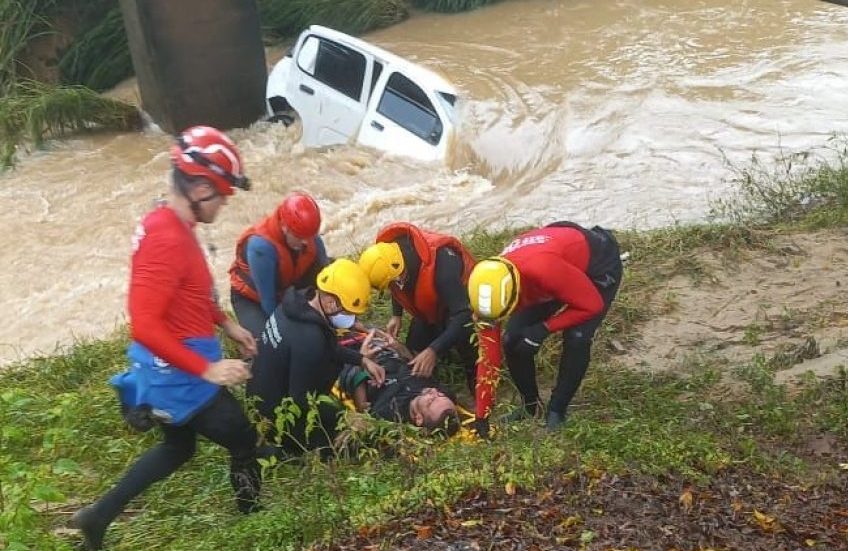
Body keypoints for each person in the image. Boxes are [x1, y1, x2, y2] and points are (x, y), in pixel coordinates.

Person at [71, 126, 260, 550]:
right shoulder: (166, 240)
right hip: (181, 372)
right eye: (222, 194)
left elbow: (190, 293)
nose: (225, 202)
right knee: (243, 438)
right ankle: (253, 520)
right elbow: (145, 324)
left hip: (180, 361)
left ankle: (97, 517)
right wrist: (208, 369)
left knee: (179, 447)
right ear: (197, 186)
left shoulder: (173, 221)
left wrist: (226, 324)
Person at [467, 221, 623, 434]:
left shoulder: (543, 270)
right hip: (551, 268)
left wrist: (544, 328)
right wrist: (482, 415)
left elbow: (592, 305)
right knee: (512, 340)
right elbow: (488, 358)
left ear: (516, 293)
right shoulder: (486, 294)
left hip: (597, 264)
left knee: (577, 336)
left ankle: (557, 410)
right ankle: (531, 407)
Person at [246, 258, 386, 452]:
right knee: (349, 444)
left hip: (260, 394)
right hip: (275, 417)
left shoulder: (298, 303)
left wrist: (361, 360)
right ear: (330, 302)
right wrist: (344, 416)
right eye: (348, 311)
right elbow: (302, 400)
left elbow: (329, 346)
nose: (352, 319)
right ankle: (278, 451)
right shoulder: (310, 339)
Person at [358, 222, 477, 395]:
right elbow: (397, 286)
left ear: (401, 269)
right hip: (435, 307)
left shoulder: (442, 268)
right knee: (413, 350)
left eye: (393, 282)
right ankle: (442, 358)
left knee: (462, 334)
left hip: (464, 306)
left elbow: (463, 315)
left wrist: (433, 350)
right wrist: (396, 315)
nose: (395, 286)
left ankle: (475, 375)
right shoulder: (394, 260)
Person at [229, 191, 329, 338]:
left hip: (288, 285)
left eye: (311, 236)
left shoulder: (308, 235)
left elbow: (327, 277)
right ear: (284, 228)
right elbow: (268, 302)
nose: (306, 242)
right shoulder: (261, 248)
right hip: (255, 299)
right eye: (300, 237)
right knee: (272, 340)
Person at [337, 334, 460, 434]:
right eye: (439, 394)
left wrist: (362, 360)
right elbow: (412, 363)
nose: (433, 391)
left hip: (351, 361)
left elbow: (363, 407)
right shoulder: (445, 402)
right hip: (386, 349)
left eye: (430, 401)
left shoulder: (388, 415)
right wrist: (398, 347)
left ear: (418, 418)